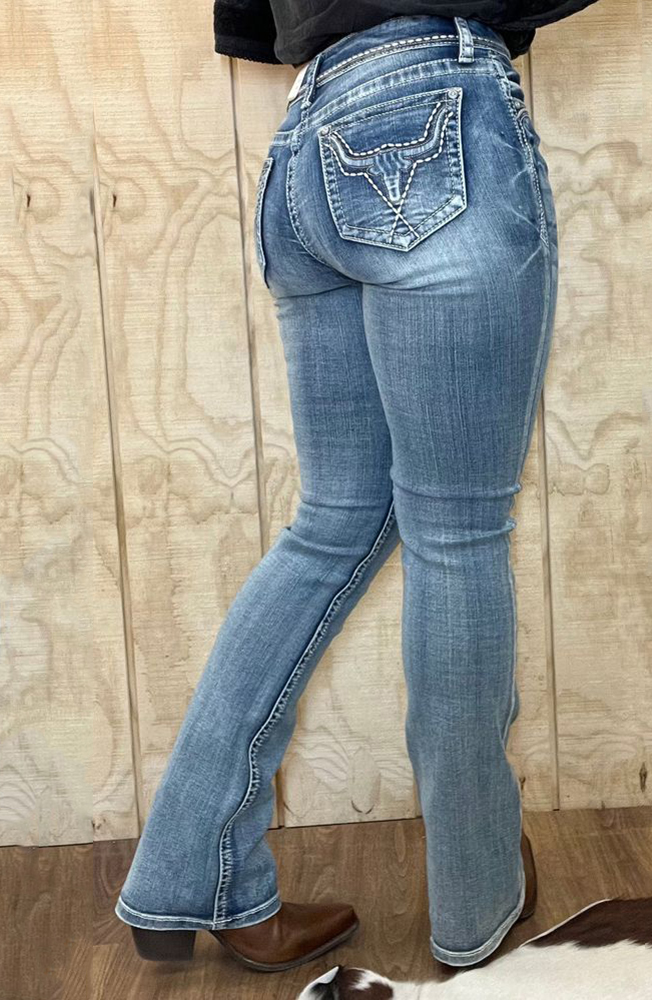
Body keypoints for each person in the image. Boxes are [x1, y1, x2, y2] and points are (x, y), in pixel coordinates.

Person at [114, 4, 594, 976]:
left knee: (333, 524)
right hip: (431, 114)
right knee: (457, 535)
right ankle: (476, 899)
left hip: (305, 140)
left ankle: (184, 874)